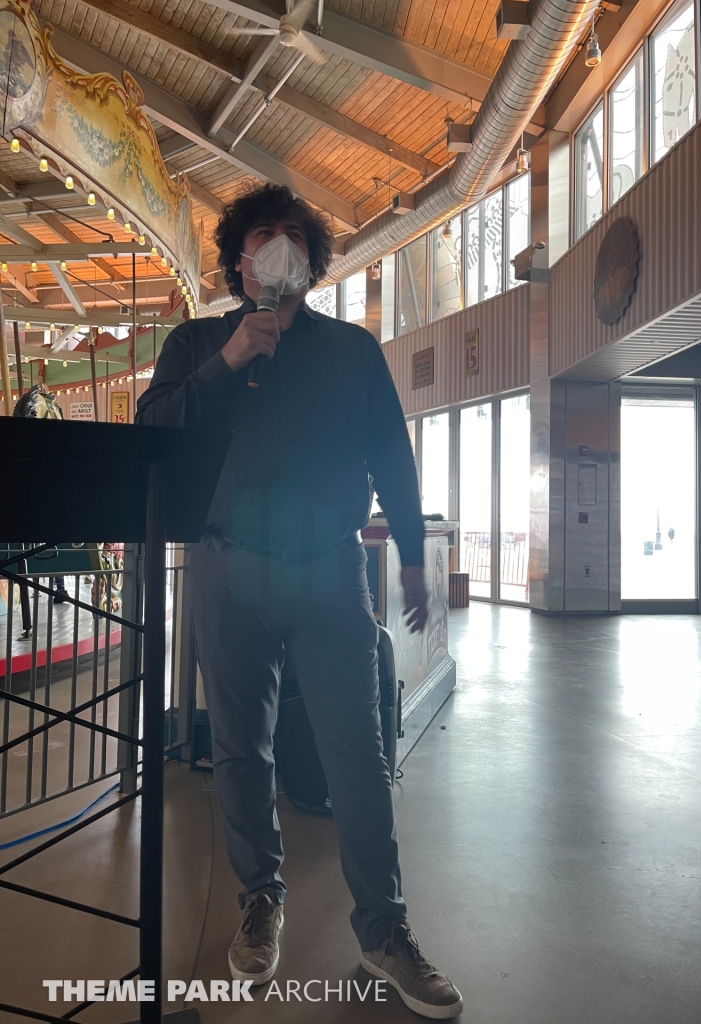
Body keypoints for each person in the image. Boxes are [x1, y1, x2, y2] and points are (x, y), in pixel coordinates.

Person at [135, 184, 463, 1020]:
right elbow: (153, 433)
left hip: (330, 571)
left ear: (313, 262)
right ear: (236, 259)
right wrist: (231, 359)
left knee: (358, 753)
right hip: (224, 567)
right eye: (260, 235)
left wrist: (417, 562)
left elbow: (391, 451)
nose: (276, 247)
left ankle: (384, 930)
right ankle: (259, 898)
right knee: (241, 749)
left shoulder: (352, 351)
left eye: (291, 236)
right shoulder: (195, 343)